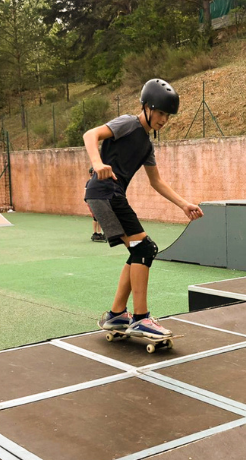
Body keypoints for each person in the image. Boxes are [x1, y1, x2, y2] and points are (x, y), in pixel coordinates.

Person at [84, 78, 203, 338]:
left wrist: (184, 204)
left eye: (168, 115)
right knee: (144, 248)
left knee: (140, 250)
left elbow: (156, 181)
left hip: (108, 194)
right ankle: (140, 318)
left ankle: (117, 315)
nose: (164, 119)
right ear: (147, 107)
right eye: (160, 112)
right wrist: (98, 162)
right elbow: (90, 134)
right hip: (105, 191)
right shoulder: (128, 123)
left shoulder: (147, 145)